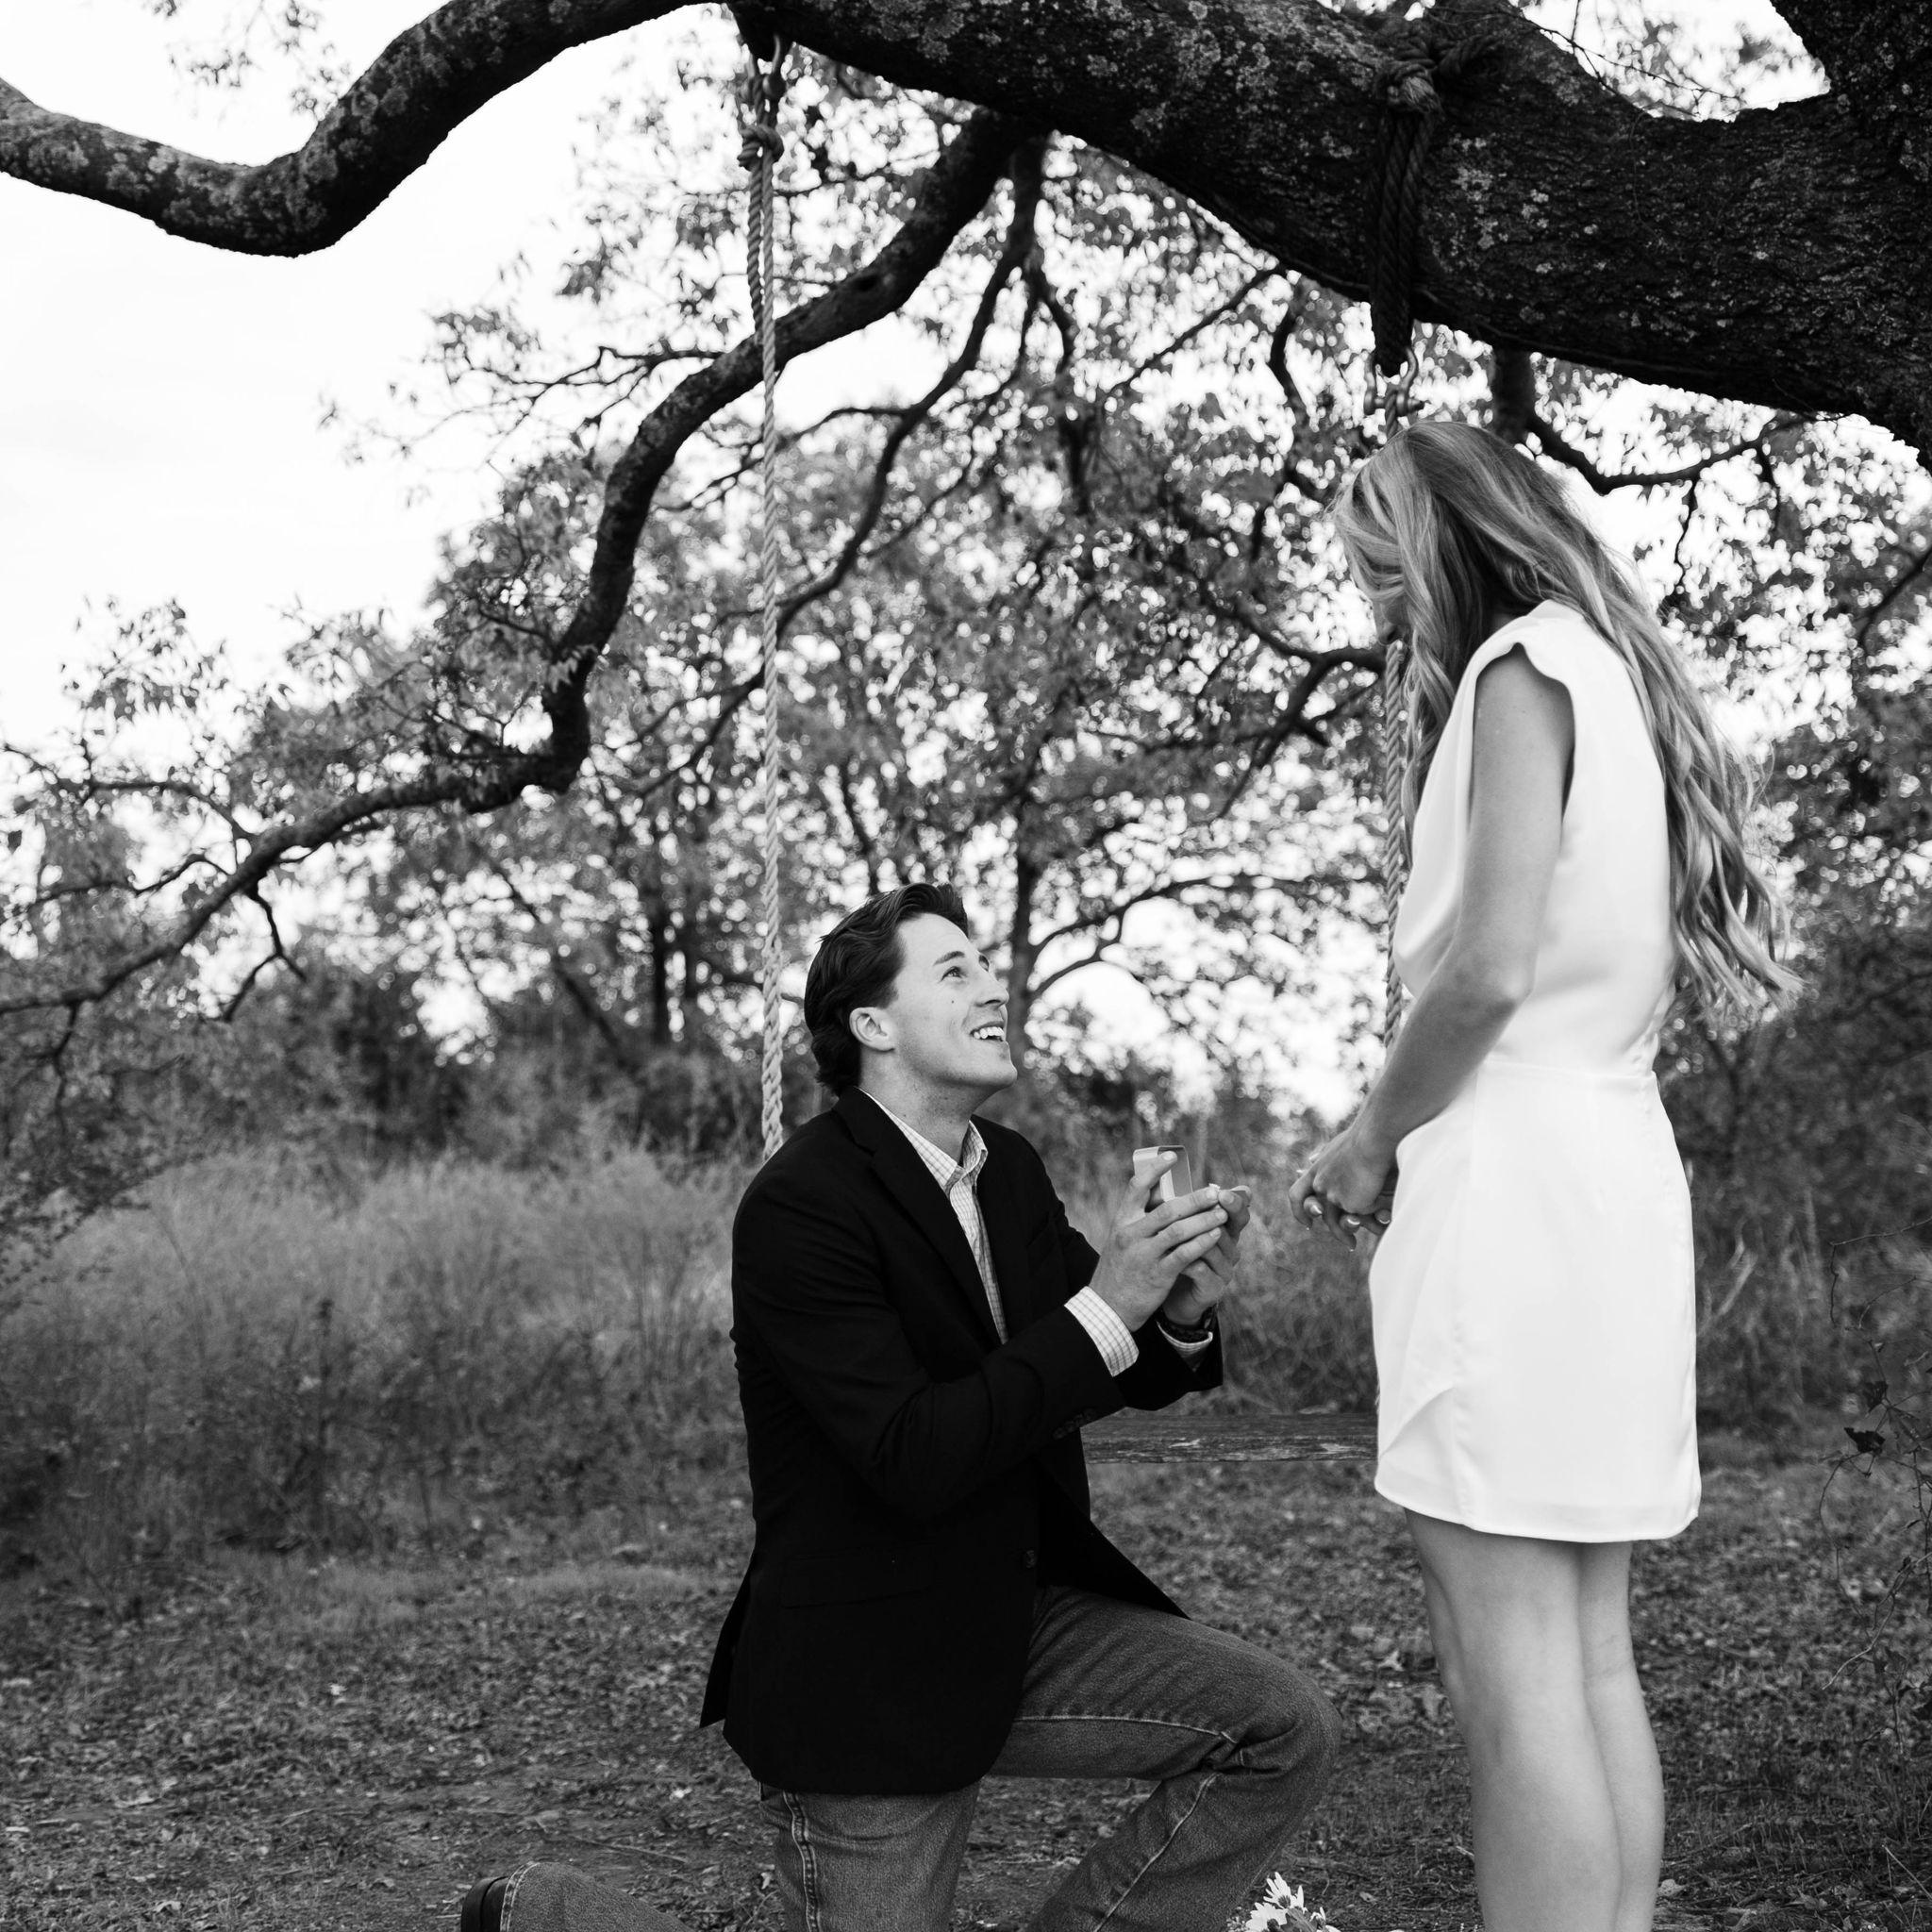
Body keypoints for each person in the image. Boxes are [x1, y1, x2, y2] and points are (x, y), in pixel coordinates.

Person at [461, 881, 1341, 1932]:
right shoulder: (801, 1205)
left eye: (986, 965)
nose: (993, 989)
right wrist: (1111, 1303)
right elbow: (913, 1453)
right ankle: (545, 1912)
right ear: (873, 1025)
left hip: (1015, 1615)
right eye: (955, 970)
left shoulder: (1008, 1172)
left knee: (1279, 1727)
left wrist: (1175, 1307)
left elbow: (1107, 1359)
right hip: (866, 1669)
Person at [1289, 420, 1796, 1932]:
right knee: (1586, 1655)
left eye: (1385, 574)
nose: (1378, 614)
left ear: (1450, 541)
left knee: (1509, 1672)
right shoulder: (1612, 678)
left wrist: (1367, 1141)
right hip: (1613, 1178)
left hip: (1507, 1186)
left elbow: (1489, 970)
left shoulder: (1519, 675)